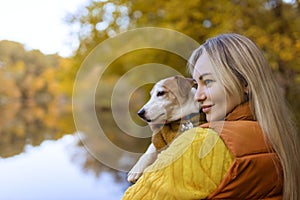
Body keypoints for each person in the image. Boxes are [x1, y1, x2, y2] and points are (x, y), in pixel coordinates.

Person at [122, 33, 300, 199]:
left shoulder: (203, 142)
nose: (198, 96)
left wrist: (164, 153)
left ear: (244, 83)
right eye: (197, 84)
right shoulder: (282, 139)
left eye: (207, 82)